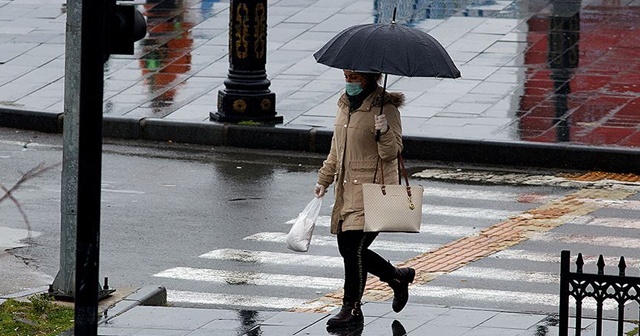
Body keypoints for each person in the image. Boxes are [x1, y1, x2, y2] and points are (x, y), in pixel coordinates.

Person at [314, 70, 415, 330]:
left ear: (368, 78)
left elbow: (392, 153)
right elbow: (337, 149)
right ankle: (396, 277)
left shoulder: (386, 108)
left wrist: (384, 132)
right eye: (346, 75)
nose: (349, 81)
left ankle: (351, 309)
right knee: (348, 250)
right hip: (346, 189)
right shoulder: (344, 104)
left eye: (354, 77)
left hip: (374, 190)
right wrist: (324, 179)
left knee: (353, 249)